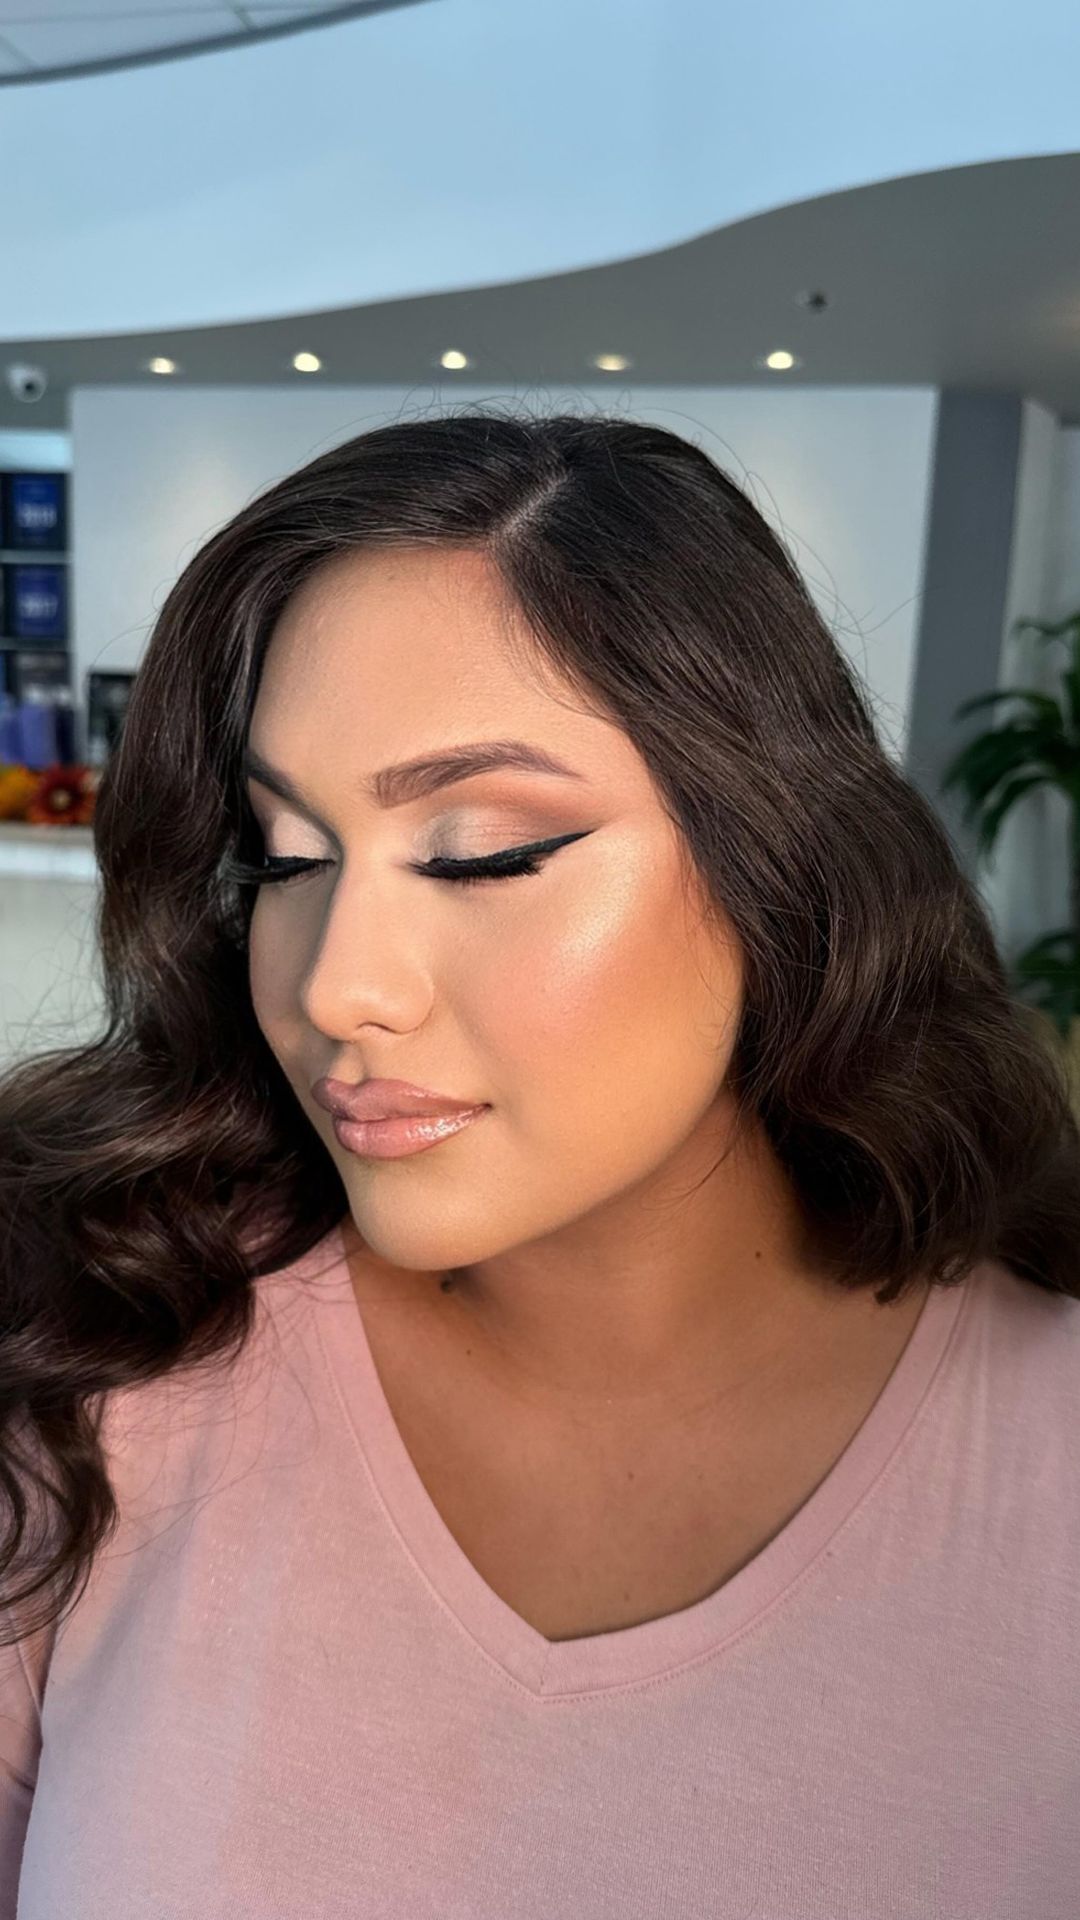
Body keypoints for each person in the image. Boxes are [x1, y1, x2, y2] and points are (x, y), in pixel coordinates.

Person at [0, 408, 1077, 1917]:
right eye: (286, 858)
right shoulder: (88, 1377)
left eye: (483, 854)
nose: (337, 986)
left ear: (777, 859)